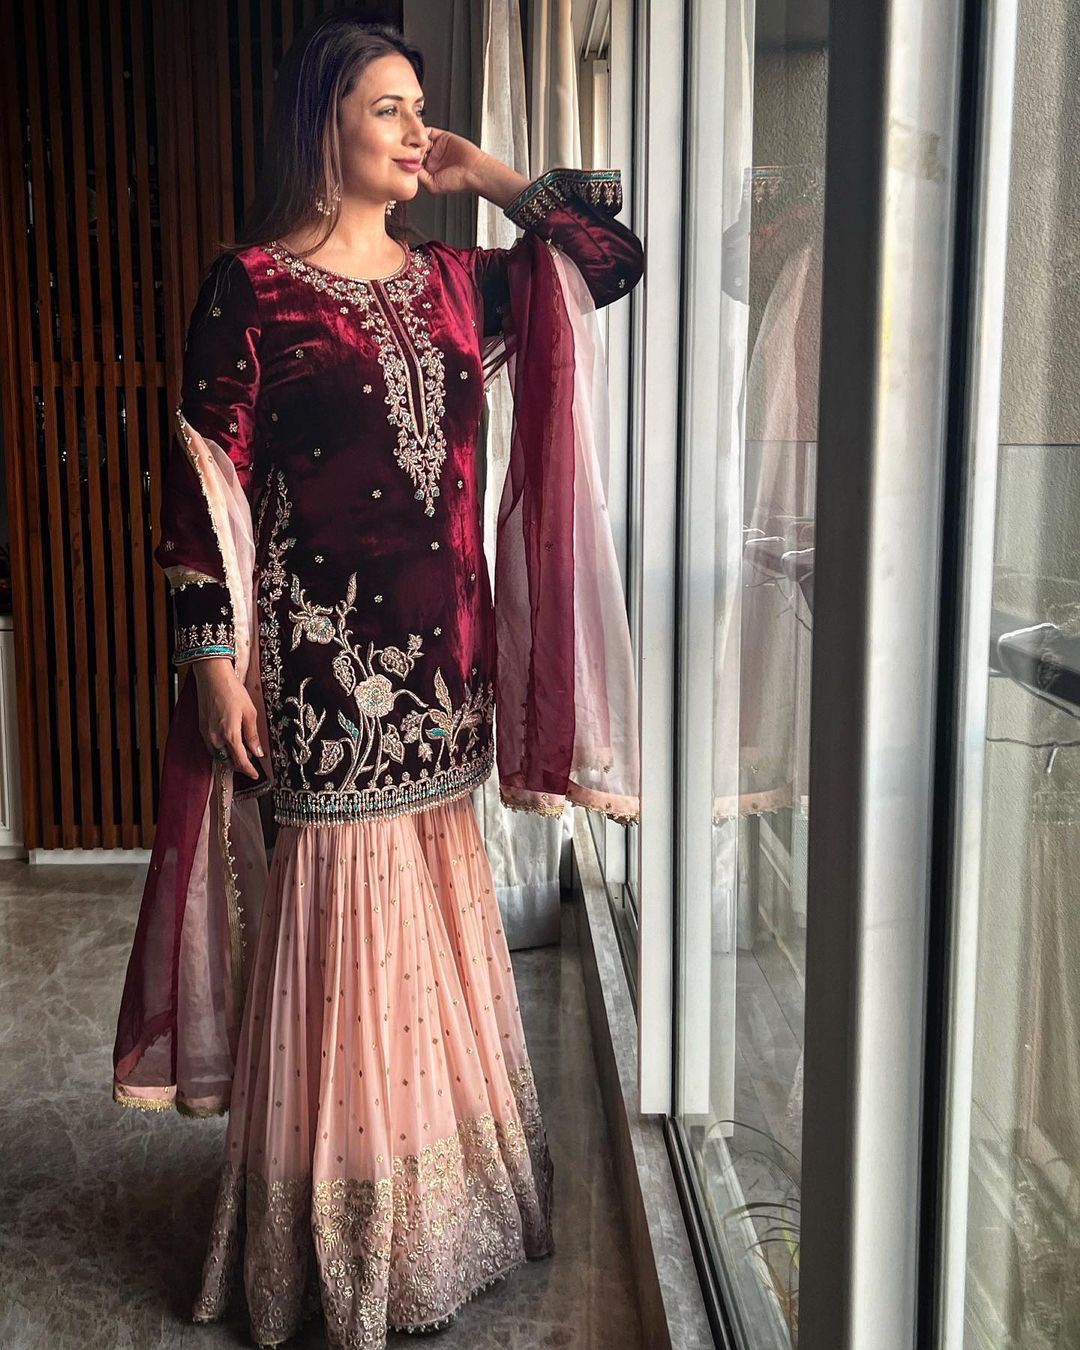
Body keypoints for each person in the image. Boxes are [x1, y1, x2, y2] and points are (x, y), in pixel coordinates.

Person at [110, 12, 642, 1348]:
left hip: (447, 673)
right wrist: (211, 662)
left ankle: (442, 1209)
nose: (415, 130)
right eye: (387, 109)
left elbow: (610, 261)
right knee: (344, 944)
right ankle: (343, 1235)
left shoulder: (459, 282)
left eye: (420, 106)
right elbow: (201, 492)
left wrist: (493, 177)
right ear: (322, 124)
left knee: (433, 934)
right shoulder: (251, 288)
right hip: (324, 673)